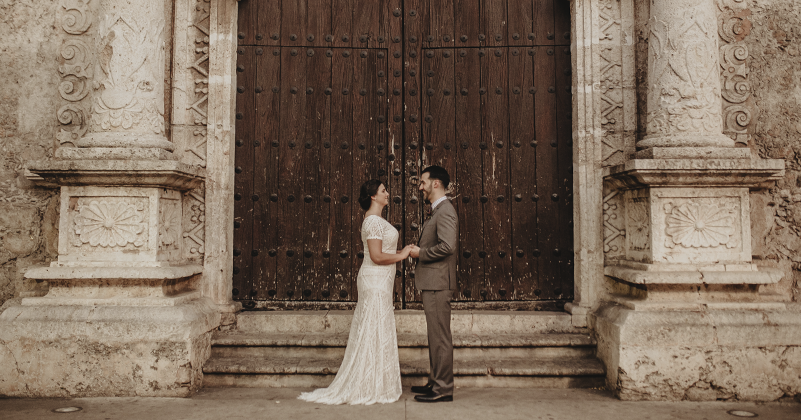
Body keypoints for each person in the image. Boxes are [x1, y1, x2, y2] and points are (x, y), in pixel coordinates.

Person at [299, 179, 413, 405]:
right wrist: (402, 256)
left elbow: (384, 250)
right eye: (383, 190)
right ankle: (367, 384)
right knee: (373, 328)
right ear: (373, 196)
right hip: (375, 281)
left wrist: (404, 250)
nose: (387, 193)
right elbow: (377, 256)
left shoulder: (377, 220)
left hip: (381, 280)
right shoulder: (372, 222)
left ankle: (376, 382)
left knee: (377, 329)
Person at [408, 165, 458, 403]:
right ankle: (435, 381)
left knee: (440, 336)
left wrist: (420, 253)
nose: (420, 187)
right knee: (434, 335)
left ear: (435, 183)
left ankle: (443, 389)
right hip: (433, 282)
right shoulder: (437, 210)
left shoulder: (445, 211)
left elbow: (448, 247)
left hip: (439, 283)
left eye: (422, 182)